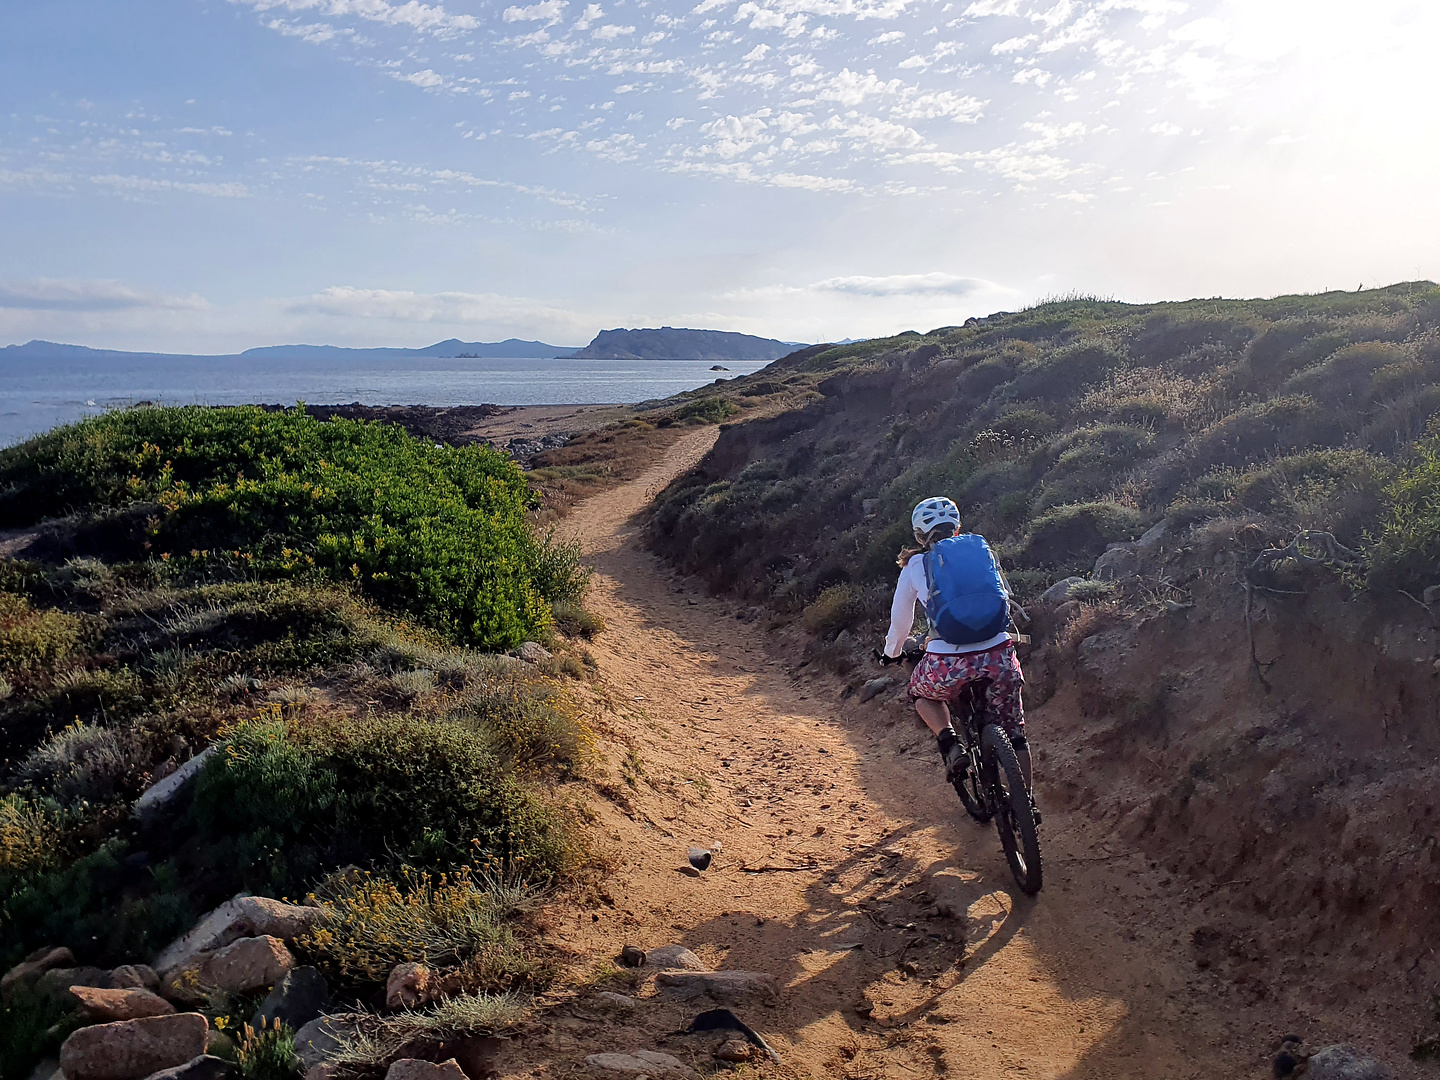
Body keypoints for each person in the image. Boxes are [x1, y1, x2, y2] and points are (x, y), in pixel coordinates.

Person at [878, 496, 1036, 809]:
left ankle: (950, 743)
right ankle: (1026, 804)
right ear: (957, 526)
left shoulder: (915, 565)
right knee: (1015, 733)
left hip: (947, 663)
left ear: (920, 536)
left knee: (921, 694)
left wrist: (891, 653)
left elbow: (900, 623)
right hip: (999, 656)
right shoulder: (981, 549)